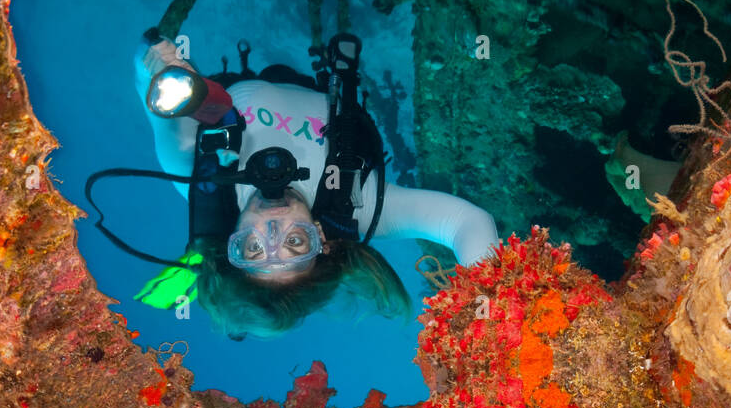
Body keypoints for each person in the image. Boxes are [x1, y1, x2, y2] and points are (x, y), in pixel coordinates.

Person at [130, 27, 500, 337]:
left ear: (232, 241)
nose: (271, 226)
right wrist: (489, 313)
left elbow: (156, 90)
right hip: (322, 88)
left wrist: (161, 64)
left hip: (232, 89)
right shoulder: (359, 206)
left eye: (254, 248)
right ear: (321, 239)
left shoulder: (196, 180)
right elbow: (465, 222)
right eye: (294, 242)